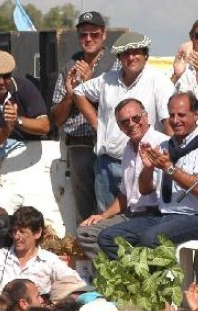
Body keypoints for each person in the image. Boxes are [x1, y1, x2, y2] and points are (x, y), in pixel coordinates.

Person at [97, 92, 198, 258]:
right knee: (108, 237)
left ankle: (148, 279)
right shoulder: (164, 146)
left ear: (196, 115)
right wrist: (148, 168)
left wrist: (169, 168)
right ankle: (136, 278)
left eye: (182, 115)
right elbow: (146, 190)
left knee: (149, 239)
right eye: (172, 115)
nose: (176, 120)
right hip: (164, 215)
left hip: (195, 218)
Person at [74, 31, 174, 213]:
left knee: (141, 221)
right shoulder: (107, 79)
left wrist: (168, 159)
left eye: (136, 52)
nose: (131, 57)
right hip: (107, 163)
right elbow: (79, 92)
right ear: (119, 57)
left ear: (146, 55)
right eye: (126, 53)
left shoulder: (159, 81)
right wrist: (97, 124)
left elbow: (168, 122)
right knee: (105, 222)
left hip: (144, 166)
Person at [76, 98, 169, 259]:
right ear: (120, 127)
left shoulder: (161, 144)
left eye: (136, 118)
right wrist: (103, 216)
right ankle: (126, 270)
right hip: (131, 214)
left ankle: (129, 272)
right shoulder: (127, 148)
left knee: (108, 237)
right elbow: (125, 195)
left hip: (154, 215)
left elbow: (152, 190)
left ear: (146, 117)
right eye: (125, 122)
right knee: (85, 232)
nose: (131, 124)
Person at [51, 11, 118, 224]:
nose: (88, 39)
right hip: (79, 145)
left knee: (108, 208)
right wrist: (71, 95)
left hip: (108, 145)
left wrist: (90, 84)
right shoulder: (68, 66)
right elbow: (56, 118)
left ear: (104, 35)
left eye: (94, 34)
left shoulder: (115, 64)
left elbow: (118, 108)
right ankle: (87, 255)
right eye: (83, 35)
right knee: (85, 210)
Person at [0, 206, 81, 294]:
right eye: (14, 231)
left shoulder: (50, 261)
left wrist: (52, 300)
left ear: (37, 233)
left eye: (22, 232)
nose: (16, 236)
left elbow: (77, 284)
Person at [0, 50, 50, 151]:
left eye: (6, 76)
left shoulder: (25, 87)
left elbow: (44, 127)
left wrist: (17, 120)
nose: (1, 82)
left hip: (31, 152)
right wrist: (6, 129)